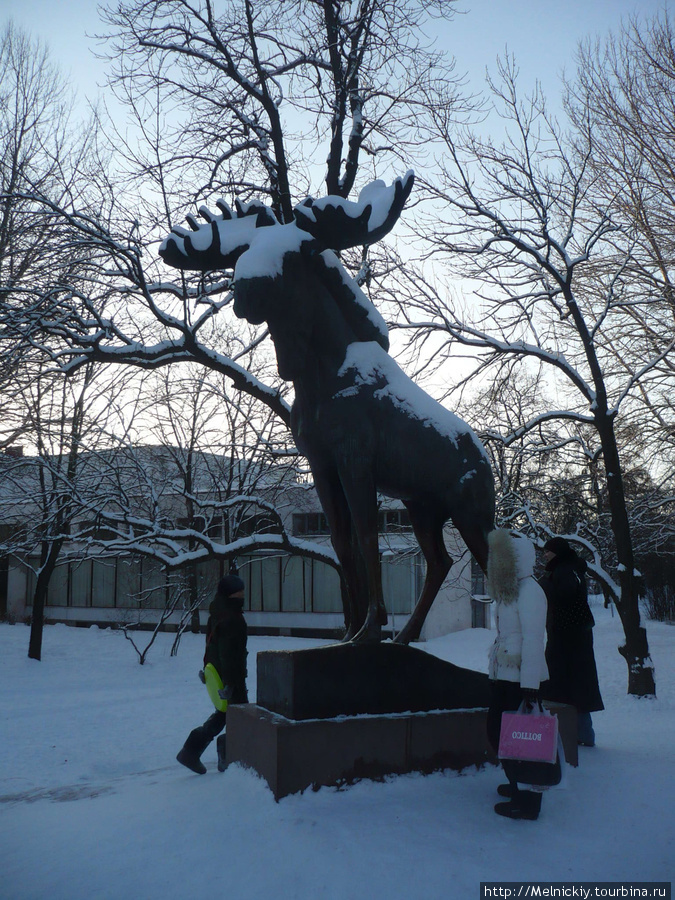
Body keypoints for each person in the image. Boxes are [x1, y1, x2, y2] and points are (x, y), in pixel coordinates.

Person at [486, 529, 550, 820]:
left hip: (522, 680)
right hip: (506, 676)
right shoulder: (513, 590)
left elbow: (534, 640)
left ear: (517, 560)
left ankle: (528, 803)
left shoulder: (531, 591)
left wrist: (530, 686)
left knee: (524, 739)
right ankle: (517, 784)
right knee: (501, 735)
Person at [176, 574, 248, 775]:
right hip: (230, 677)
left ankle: (190, 751)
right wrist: (231, 683)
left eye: (242, 591)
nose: (242, 595)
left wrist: (208, 669)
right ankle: (227, 755)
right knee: (240, 716)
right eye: (238, 592)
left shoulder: (217, 614)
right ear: (228, 594)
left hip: (217, 673)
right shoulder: (233, 619)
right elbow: (229, 653)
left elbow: (211, 647)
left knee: (224, 714)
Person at [539, 536, 604, 747]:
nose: (545, 554)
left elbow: (563, 595)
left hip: (567, 639)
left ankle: (571, 735)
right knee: (578, 688)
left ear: (558, 552)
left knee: (561, 687)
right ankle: (582, 735)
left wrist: (541, 585)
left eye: (548, 551)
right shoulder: (571, 568)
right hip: (576, 637)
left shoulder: (565, 570)